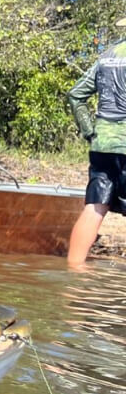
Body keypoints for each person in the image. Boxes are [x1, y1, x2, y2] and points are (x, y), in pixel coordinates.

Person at [67, 16, 126, 266]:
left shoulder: (107, 56)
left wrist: (89, 131)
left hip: (101, 144)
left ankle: (74, 274)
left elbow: (76, 94)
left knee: (95, 207)